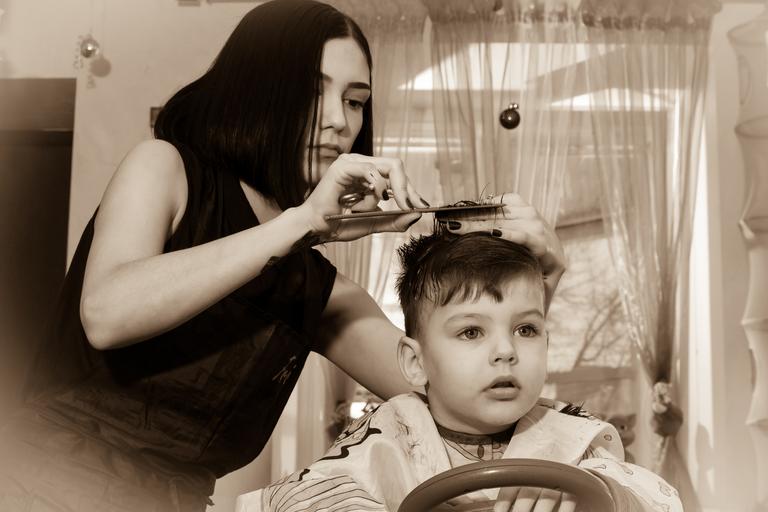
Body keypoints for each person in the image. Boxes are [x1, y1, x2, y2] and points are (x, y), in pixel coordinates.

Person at [0, 1, 566, 511]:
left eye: (355, 101)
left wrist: (543, 281)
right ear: (254, 88)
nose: (339, 121)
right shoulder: (165, 167)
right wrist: (301, 225)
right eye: (314, 92)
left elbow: (457, 393)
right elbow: (106, 313)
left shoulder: (320, 291)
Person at [237, 230, 683, 512]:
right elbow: (305, 499)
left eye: (526, 329)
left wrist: (600, 495)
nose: (506, 351)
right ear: (416, 362)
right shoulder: (387, 436)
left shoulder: (574, 437)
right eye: (471, 332)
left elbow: (654, 500)